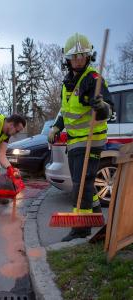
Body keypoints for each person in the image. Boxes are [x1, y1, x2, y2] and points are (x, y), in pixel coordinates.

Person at [48, 33, 114, 241]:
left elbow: (109, 108)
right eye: (74, 57)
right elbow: (65, 111)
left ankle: (82, 228)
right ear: (67, 59)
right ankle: (95, 215)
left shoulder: (93, 80)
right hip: (75, 142)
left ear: (88, 57)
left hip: (91, 140)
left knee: (81, 183)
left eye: (81, 56)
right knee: (85, 182)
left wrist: (102, 107)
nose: (77, 60)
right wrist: (56, 127)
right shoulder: (68, 82)